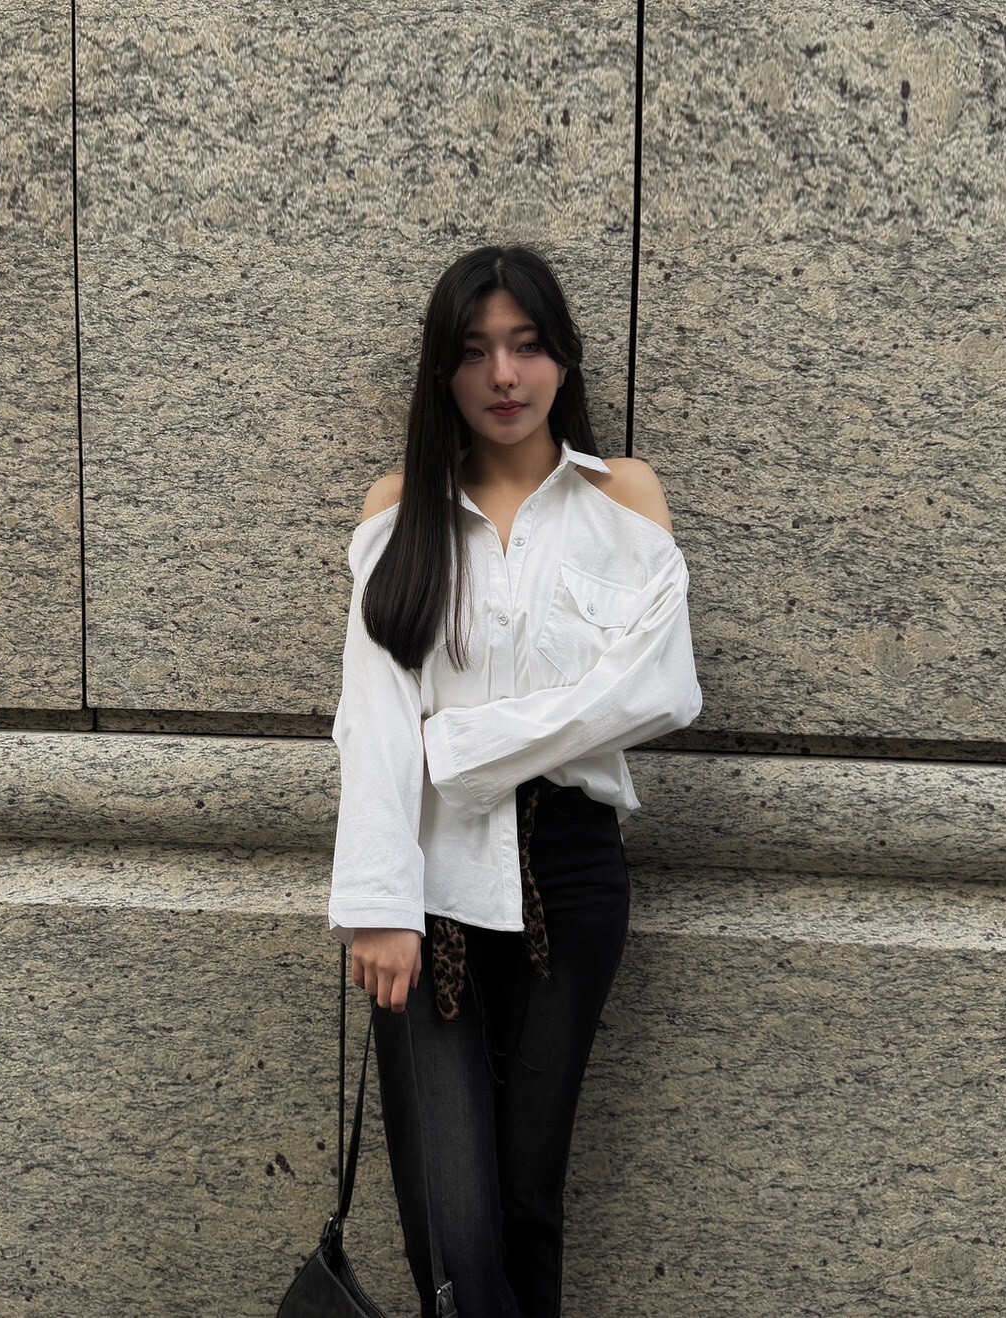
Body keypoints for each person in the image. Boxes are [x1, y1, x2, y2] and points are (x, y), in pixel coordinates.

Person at [329, 245, 702, 1318]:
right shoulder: (401, 509)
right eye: (475, 350)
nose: (503, 374)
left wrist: (459, 745)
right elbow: (375, 721)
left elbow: (657, 689)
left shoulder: (622, 498)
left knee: (530, 1198)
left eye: (527, 345)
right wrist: (378, 906)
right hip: (427, 883)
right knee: (449, 1213)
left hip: (571, 872)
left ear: (562, 358)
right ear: (442, 371)